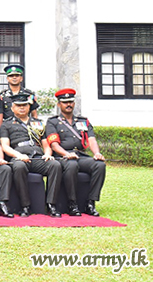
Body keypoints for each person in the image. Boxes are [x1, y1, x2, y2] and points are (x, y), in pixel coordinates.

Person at [0, 93, 62, 218]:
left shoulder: (38, 123)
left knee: (55, 165)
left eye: (24, 105)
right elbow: (5, 146)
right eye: (18, 105)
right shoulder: (6, 124)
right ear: (12, 108)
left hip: (37, 157)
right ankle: (25, 205)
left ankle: (51, 205)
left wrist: (47, 154)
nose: (22, 108)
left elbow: (45, 143)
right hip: (19, 156)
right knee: (19, 167)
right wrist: (18, 155)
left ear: (29, 107)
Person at [46, 88, 106, 217]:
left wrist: (97, 153)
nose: (68, 105)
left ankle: (90, 203)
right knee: (72, 165)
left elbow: (91, 139)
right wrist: (66, 154)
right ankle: (72, 204)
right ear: (59, 104)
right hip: (63, 156)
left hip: (80, 155)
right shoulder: (53, 122)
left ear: (74, 103)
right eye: (65, 102)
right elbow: (54, 145)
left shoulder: (83, 121)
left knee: (99, 165)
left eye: (70, 102)